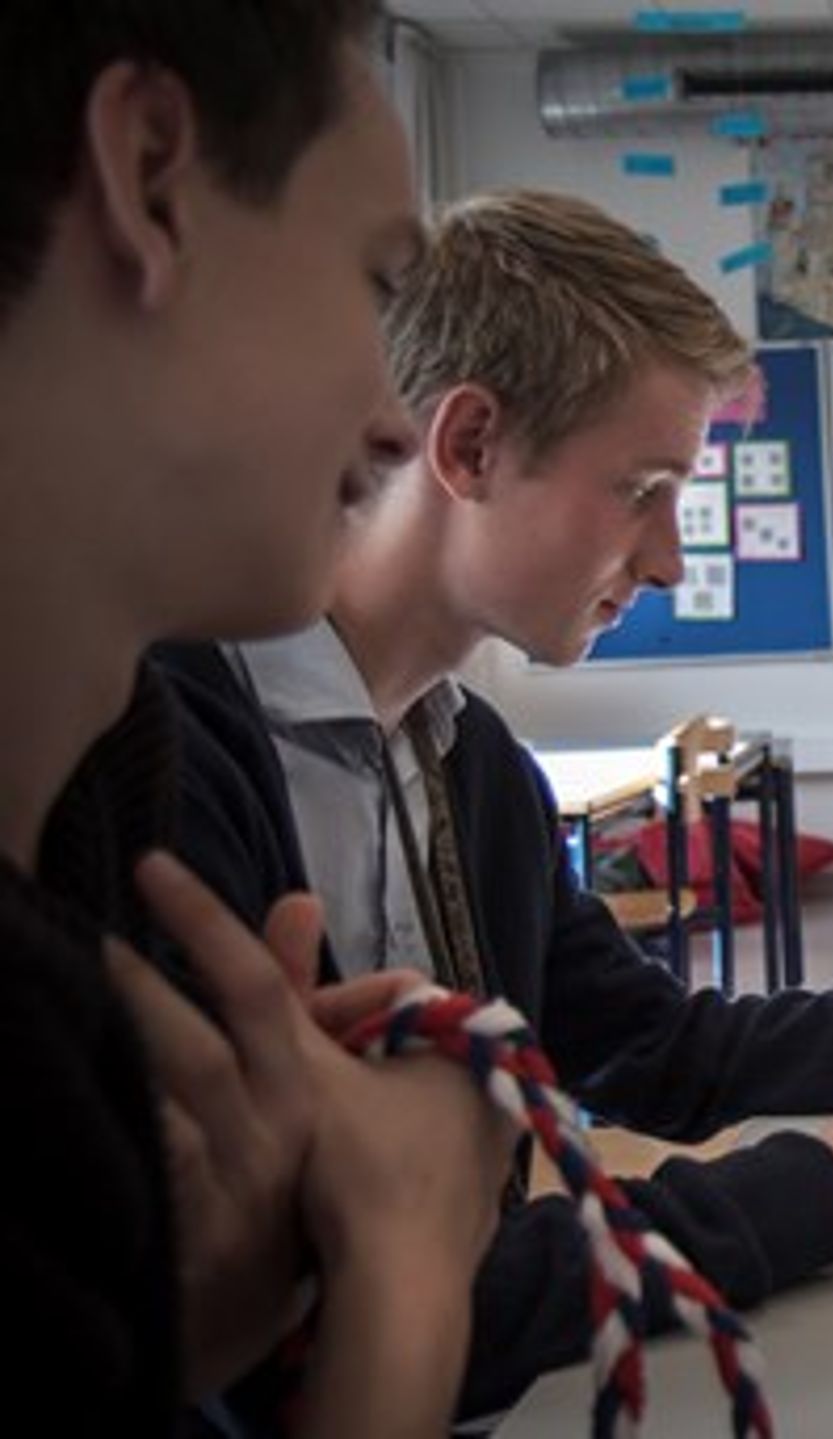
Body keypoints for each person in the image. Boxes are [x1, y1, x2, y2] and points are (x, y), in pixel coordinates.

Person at [156, 187, 833, 1420]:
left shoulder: (473, 767)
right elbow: (315, 1314)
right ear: (469, 446)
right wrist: (808, 1190)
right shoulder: (168, 763)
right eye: (640, 488)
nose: (670, 558)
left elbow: (667, 1050)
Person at [0, 1, 510, 1432]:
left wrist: (192, 1325)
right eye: (371, 281)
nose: (393, 421)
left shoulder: (96, 801)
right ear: (150, 176)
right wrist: (404, 1264)